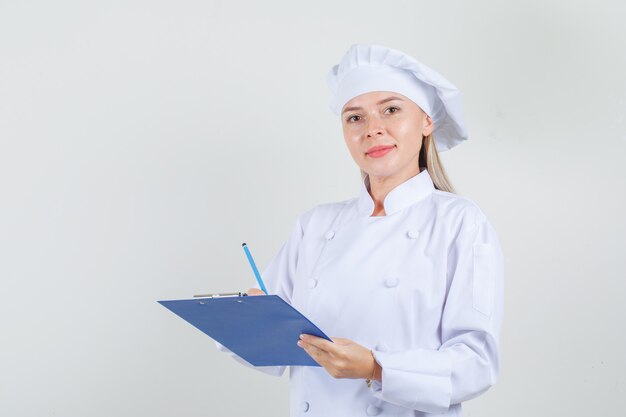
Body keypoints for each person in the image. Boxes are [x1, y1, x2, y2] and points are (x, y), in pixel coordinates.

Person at [218, 44, 504, 417]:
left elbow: (477, 362)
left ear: (426, 122)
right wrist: (249, 317)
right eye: (355, 118)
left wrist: (375, 367)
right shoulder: (315, 225)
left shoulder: (459, 222)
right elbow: (268, 351)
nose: (373, 130)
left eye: (391, 110)